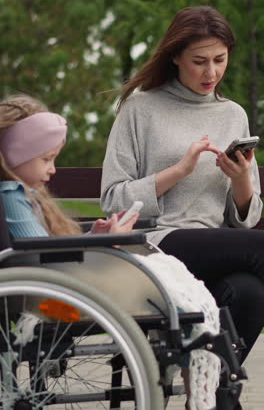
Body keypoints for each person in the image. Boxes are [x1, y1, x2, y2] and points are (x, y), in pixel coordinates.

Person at [0, 94, 222, 410]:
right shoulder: (10, 195)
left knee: (171, 286)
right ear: (15, 154)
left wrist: (95, 235)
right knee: (171, 295)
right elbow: (39, 257)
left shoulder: (25, 195)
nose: (52, 170)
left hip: (56, 292)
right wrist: (101, 244)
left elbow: (43, 250)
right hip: (54, 304)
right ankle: (197, 381)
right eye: (46, 158)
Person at [100, 5, 264, 381]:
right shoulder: (140, 109)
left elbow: (247, 218)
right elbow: (112, 199)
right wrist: (178, 171)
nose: (211, 73)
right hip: (155, 244)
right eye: (199, 61)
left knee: (252, 294)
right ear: (175, 56)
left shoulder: (233, 114)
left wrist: (240, 181)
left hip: (213, 247)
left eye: (219, 60)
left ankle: (211, 392)